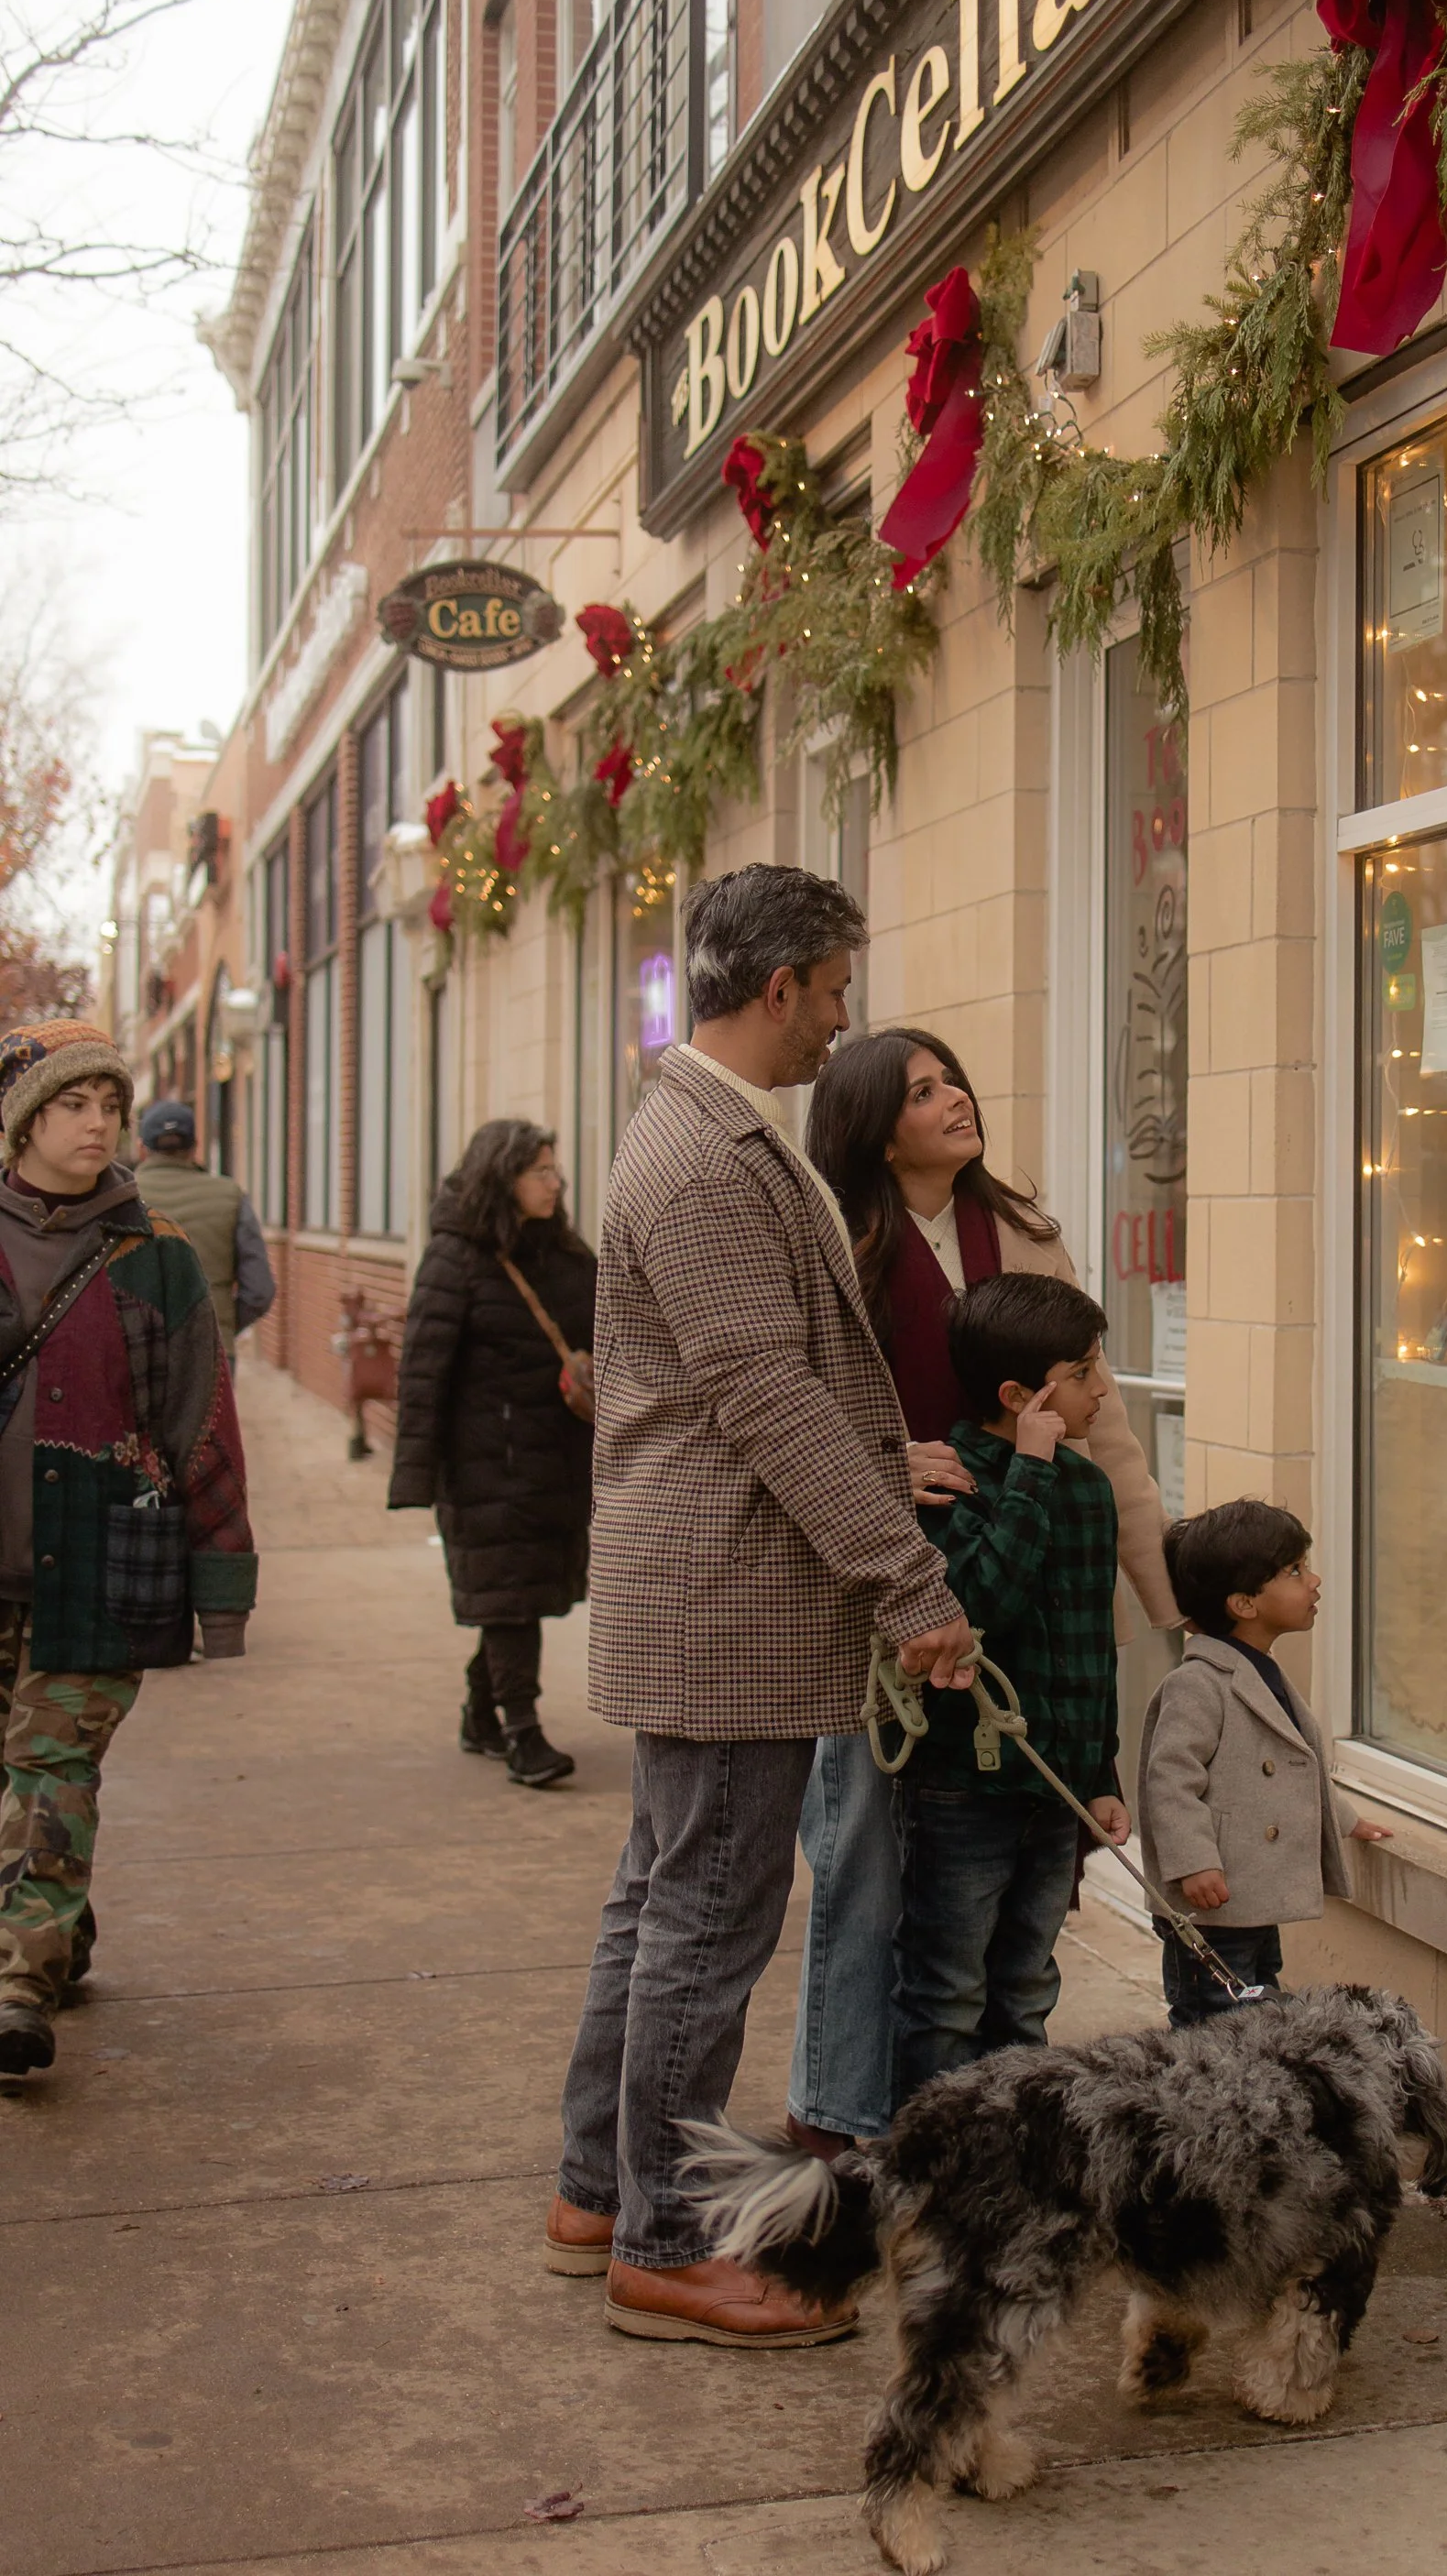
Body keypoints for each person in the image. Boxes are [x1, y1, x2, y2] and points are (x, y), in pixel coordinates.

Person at [549, 863, 973, 2346]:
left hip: (714, 1589)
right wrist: (908, 1581)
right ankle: (664, 2242)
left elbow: (767, 1388)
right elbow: (767, 1399)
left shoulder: (712, 1131)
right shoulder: (707, 1157)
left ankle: (598, 2190)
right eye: (837, 991)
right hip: (727, 1597)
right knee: (706, 1923)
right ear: (781, 985)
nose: (845, 1020)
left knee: (661, 1902)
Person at [785, 1027, 1179, 2153]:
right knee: (860, 1861)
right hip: (871, 1586)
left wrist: (1167, 1607)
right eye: (922, 1091)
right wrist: (881, 1460)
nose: (955, 1096)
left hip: (1021, 1587)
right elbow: (789, 1409)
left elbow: (1105, 1431)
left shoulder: (1022, 1234)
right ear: (875, 1129)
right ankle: (839, 2114)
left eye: (951, 1077)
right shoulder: (829, 1242)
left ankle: (977, 2127)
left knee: (1000, 1905)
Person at [0, 1020, 256, 2077]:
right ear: (23, 1120)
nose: (98, 1123)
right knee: (21, 1785)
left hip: (99, 1562)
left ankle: (18, 1985)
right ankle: (60, 1925)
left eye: (109, 1104)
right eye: (74, 1104)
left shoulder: (160, 1256)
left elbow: (205, 1424)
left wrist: (222, 1585)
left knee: (51, 1768)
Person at [891, 1270, 1130, 2104]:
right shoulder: (948, 1484)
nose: (1103, 1389)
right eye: (1084, 1372)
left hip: (1054, 1791)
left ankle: (1010, 2153)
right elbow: (982, 1606)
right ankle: (927, 2157)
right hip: (966, 1791)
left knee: (1026, 1989)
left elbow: (1095, 1651)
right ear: (1019, 1396)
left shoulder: (1090, 1491)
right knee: (946, 1990)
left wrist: (1100, 1775)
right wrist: (1028, 1470)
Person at [389, 1120, 595, 1789]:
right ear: (502, 1179)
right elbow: (423, 1372)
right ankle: (522, 1732)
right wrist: (415, 1473)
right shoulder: (454, 1259)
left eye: (554, 1169)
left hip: (555, 1458)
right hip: (485, 1464)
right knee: (510, 1597)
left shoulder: (564, 1252)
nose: (555, 1182)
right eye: (540, 1171)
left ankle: (482, 1711)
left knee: (519, 1594)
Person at [1136, 1501, 1389, 2024]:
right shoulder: (1198, 1684)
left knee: (1257, 2014)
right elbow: (1170, 1782)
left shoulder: (1260, 1669)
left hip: (1253, 1892)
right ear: (1244, 1603)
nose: (1314, 1580)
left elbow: (1294, 1765)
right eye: (1294, 1570)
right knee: (1211, 2021)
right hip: (1213, 1900)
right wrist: (1193, 1862)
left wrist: (1346, 1819)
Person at [133, 1098, 276, 1361]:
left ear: (142, 1148)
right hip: (211, 1346)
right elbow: (259, 1290)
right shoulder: (230, 1196)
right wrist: (223, 1324)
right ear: (194, 1147)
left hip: (136, 1347)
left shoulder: (121, 1197)